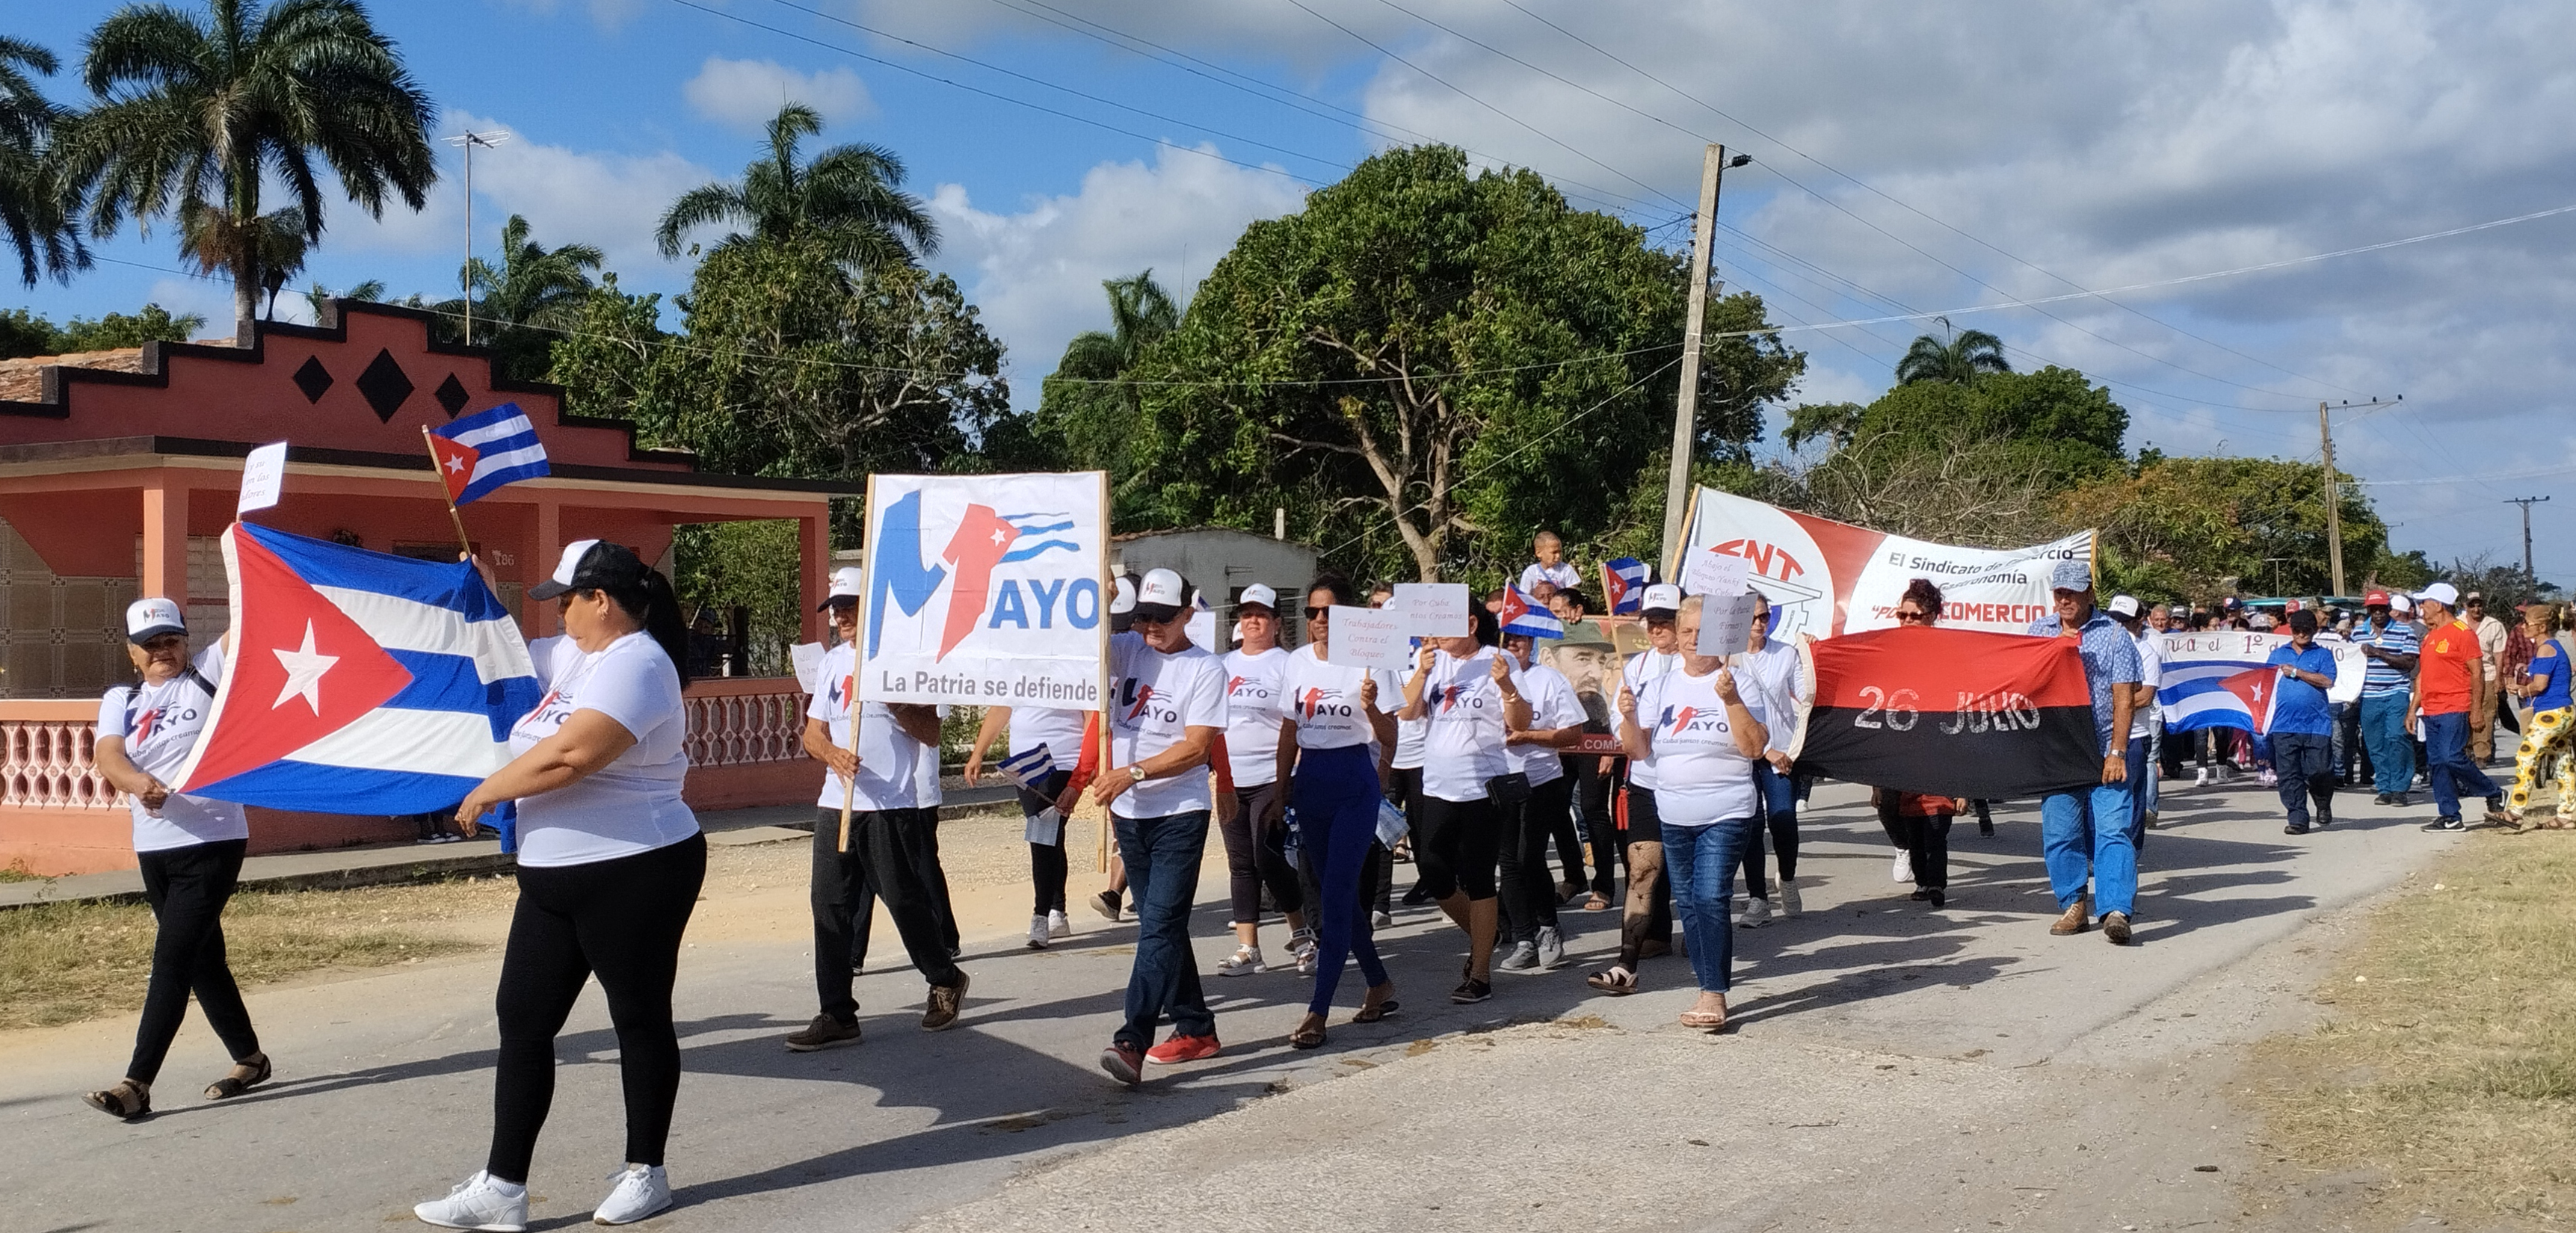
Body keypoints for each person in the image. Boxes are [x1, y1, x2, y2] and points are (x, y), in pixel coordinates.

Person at [416, 540, 705, 1229]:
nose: (560, 614)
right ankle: (503, 1187)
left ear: (600, 600)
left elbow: (572, 756)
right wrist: (478, 588)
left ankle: (647, 1171)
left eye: (567, 599)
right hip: (552, 874)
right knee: (522, 1018)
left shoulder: (640, 663)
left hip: (636, 865)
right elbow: (500, 645)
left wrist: (487, 792)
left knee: (637, 1016)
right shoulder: (576, 655)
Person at [81, 599, 268, 1120]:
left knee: (172, 959)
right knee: (203, 958)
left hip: (213, 839)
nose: (163, 651)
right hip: (155, 844)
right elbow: (109, 756)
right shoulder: (122, 697)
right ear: (132, 653)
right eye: (151, 644)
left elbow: (256, 620)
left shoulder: (207, 673)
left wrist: (251, 546)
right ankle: (250, 1059)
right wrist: (137, 783)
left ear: (186, 642)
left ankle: (136, 1084)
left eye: (172, 640)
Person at [786, 568, 970, 1055]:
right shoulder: (832, 663)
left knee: (903, 900)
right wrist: (833, 755)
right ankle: (836, 1013)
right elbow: (811, 733)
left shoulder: (903, 660)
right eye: (835, 609)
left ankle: (944, 976)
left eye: (849, 606)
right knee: (829, 906)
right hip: (838, 801)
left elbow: (930, 734)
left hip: (892, 803)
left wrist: (893, 698)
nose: (841, 616)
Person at [1086, 569, 1231, 1086]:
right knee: (1159, 925)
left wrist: (1133, 772)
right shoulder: (1128, 647)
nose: (1150, 627)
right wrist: (1099, 600)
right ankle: (1196, 1026)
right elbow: (1081, 647)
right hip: (1129, 814)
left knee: (1159, 925)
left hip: (1178, 813)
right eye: (1143, 616)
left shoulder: (1205, 669)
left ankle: (1132, 1039)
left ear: (1187, 614)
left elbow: (1196, 748)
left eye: (1162, 618)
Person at [1615, 596, 1767, 1030]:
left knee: (1709, 897)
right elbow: (1639, 750)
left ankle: (1713, 993)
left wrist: (1733, 700)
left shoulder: (1739, 681)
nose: (1694, 640)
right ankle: (1706, 983)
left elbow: (1754, 747)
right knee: (1690, 905)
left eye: (1704, 632)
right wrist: (1628, 718)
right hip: (1674, 812)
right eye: (1687, 632)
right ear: (1677, 637)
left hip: (1727, 809)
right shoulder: (1659, 687)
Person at [1277, 577, 1403, 1048]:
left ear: (1349, 617)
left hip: (1354, 782)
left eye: (1328, 613)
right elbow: (1290, 728)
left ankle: (1318, 1011)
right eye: (1312, 613)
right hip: (1311, 783)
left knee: (1333, 899)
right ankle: (1379, 982)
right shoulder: (1296, 662)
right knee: (1340, 897)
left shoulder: (1370, 665)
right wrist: (1280, 786)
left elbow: (1390, 738)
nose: (1320, 622)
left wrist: (1372, 709)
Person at [1398, 605, 1531, 1004]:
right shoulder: (1432, 662)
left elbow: (1520, 720)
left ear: (1472, 625)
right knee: (1433, 869)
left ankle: (1480, 972)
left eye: (1446, 627)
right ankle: (1484, 937)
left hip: (1481, 786)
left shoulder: (1498, 659)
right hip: (1437, 784)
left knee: (1477, 877)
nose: (1436, 635)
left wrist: (1507, 687)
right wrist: (1421, 672)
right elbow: (1407, 712)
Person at [2027, 560, 2142, 945]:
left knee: (2114, 830)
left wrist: (2118, 752)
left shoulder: (2114, 636)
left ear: (2089, 593)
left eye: (2072, 593)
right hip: (2059, 750)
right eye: (2059, 593)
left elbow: (2124, 697)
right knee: (2060, 833)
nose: (2064, 600)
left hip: (2104, 747)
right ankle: (2073, 905)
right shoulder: (2038, 633)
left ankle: (2115, 909)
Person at [1210, 584, 1315, 976]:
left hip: (1272, 777)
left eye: (1261, 614)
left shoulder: (1286, 664)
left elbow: (1298, 722)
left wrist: (1290, 777)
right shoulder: (1221, 664)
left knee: (1267, 857)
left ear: (1275, 622)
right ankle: (1248, 947)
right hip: (1230, 778)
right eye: (1246, 614)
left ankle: (1302, 935)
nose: (1253, 621)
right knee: (1241, 864)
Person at [1587, 583, 1683, 995]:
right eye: (1652, 621)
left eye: (1667, 620)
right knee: (1642, 870)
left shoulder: (1706, 667)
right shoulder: (1635, 666)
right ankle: (1627, 962)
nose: (1658, 628)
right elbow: (1617, 724)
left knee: (1688, 876)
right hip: (1646, 783)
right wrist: (1625, 718)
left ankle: (1696, 935)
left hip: (1691, 787)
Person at [962, 700, 1087, 948]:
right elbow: (1001, 708)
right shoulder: (1019, 666)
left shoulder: (1072, 663)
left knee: (1042, 831)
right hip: (1023, 762)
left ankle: (1040, 915)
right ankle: (1057, 909)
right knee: (1049, 835)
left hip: (1063, 756)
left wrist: (1086, 769)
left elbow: (1091, 713)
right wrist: (978, 753)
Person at [1497, 629, 1586, 972]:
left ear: (1532, 644)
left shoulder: (1548, 679)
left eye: (1520, 639)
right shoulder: (1485, 678)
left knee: (1528, 857)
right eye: (1506, 639)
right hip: (1499, 781)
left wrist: (1528, 736)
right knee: (1508, 862)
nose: (1512, 645)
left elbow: (1574, 734)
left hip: (1540, 780)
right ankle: (1523, 938)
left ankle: (1548, 927)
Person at [1729, 588, 1808, 924]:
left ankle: (1787, 877)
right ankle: (1758, 899)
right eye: (1752, 618)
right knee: (1750, 825)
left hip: (1782, 755)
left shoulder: (1786, 654)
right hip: (1745, 753)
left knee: (1783, 820)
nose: (1760, 623)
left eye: (1765, 616)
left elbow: (1808, 695)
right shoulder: (1726, 659)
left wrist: (1814, 655)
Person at [2409, 583, 2508, 832]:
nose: (2421, 607)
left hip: (2455, 704)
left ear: (2439, 605)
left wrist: (2476, 709)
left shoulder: (2462, 633)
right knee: (2437, 763)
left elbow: (2477, 673)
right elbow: (2422, 676)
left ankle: (2493, 791)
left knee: (2451, 756)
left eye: (2425, 602)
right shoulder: (2430, 636)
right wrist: (2413, 709)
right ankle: (2450, 815)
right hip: (2431, 709)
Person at [2266, 610, 2341, 835]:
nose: (2301, 634)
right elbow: (2264, 685)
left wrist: (2297, 672)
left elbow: (2328, 681)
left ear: (2315, 630)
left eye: (2306, 630)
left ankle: (2322, 801)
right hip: (2283, 725)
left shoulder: (2323, 655)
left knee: (2320, 770)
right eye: (2297, 630)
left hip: (2316, 724)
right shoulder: (2277, 655)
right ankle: (2297, 817)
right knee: (2289, 775)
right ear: (2291, 630)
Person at [2502, 602, 2575, 828]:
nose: (2522, 627)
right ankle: (2566, 815)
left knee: (2526, 756)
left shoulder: (2546, 649)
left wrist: (2522, 689)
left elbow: (2540, 685)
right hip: (2563, 711)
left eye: (2527, 623)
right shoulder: (2551, 647)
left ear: (2541, 627)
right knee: (2563, 762)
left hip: (2551, 712)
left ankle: (2515, 812)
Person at [2353, 590, 2420, 806]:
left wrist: (2379, 653)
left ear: (2389, 609)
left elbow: (2410, 662)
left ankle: (2400, 787)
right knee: (2375, 743)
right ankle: (2384, 787)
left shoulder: (2404, 631)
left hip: (2396, 692)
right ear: (2369, 610)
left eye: (2383, 609)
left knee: (2397, 737)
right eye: (2374, 609)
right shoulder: (2357, 633)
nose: (2379, 613)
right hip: (2369, 695)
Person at [2106, 596, 2163, 835]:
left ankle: (2130, 851)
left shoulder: (2146, 653)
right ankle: (2098, 852)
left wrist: (2109, 705)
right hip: (2100, 736)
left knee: (2131, 801)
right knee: (2100, 798)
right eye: (2114, 619)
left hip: (2134, 736)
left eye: (2125, 621)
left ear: (2139, 622)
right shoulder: (2099, 648)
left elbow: (2145, 696)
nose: (2118, 625)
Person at [2468, 592, 2509, 765]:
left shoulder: (2494, 625)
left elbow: (2499, 654)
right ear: (2466, 606)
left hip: (2488, 673)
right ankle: (2466, 749)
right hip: (2464, 674)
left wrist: (2499, 678)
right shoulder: (2458, 623)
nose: (2476, 609)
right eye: (2472, 605)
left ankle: (2481, 754)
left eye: (2479, 605)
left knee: (2486, 714)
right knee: (2464, 712)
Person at [1520, 531, 1582, 596]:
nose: (1558, 556)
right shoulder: (1531, 572)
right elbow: (1524, 597)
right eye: (1554, 552)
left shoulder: (1566, 570)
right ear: (1539, 553)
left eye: (1560, 552)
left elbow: (1571, 596)